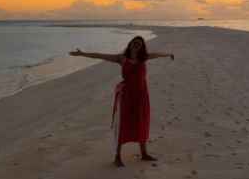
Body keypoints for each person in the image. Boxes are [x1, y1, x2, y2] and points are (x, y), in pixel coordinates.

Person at [70, 37, 174, 167]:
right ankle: (117, 156)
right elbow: (101, 56)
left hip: (141, 95)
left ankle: (144, 153)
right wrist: (82, 53)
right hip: (126, 95)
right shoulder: (122, 59)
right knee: (123, 122)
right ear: (130, 44)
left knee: (141, 121)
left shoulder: (144, 58)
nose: (136, 45)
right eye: (135, 43)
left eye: (139, 44)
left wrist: (169, 54)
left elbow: (159, 54)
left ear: (141, 47)